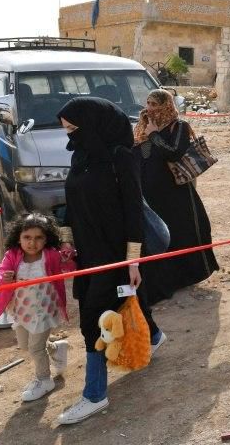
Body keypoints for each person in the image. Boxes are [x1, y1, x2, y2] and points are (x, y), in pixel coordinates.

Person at [55, 97, 163, 424]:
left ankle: (95, 394)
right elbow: (70, 206)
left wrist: (133, 263)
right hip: (87, 253)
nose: (70, 138)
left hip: (116, 255)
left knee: (94, 319)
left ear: (96, 126)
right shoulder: (82, 157)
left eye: (75, 130)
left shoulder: (122, 158)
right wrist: (67, 242)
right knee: (128, 301)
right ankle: (155, 337)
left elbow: (133, 213)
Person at [132, 88, 219, 305]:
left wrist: (154, 134)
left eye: (155, 104)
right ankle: (163, 282)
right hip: (150, 192)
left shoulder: (178, 126)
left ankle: (186, 276)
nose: (150, 109)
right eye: (148, 103)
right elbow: (139, 155)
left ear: (166, 105)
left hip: (175, 192)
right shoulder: (142, 125)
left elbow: (174, 152)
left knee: (182, 232)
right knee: (158, 237)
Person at [0, 213, 72, 402]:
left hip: (45, 310)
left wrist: (68, 255)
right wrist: (4, 277)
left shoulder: (51, 255)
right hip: (21, 310)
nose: (32, 243)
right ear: (18, 237)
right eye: (27, 237)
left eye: (38, 238)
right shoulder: (12, 255)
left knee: (35, 348)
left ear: (47, 239)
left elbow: (69, 265)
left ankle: (44, 380)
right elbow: (0, 271)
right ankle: (56, 348)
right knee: (25, 345)